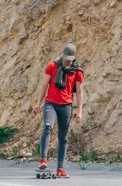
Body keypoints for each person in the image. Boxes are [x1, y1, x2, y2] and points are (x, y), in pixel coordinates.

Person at [32, 43, 84, 178]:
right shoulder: (52, 66)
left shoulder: (77, 71)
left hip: (66, 106)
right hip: (51, 104)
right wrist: (38, 103)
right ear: (62, 54)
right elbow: (44, 85)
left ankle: (60, 168)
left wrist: (79, 111)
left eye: (70, 59)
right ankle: (43, 160)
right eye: (66, 58)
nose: (67, 60)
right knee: (47, 126)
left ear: (73, 57)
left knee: (63, 138)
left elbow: (79, 92)